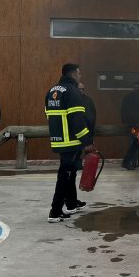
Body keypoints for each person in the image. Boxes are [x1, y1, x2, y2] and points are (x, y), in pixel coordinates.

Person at [46, 63, 94, 222]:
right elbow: (77, 120)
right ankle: (55, 211)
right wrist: (86, 141)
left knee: (70, 173)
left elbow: (50, 116)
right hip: (71, 141)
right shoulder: (73, 92)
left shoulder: (52, 91)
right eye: (79, 74)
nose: (80, 76)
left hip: (58, 140)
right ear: (73, 74)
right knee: (65, 176)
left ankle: (72, 204)